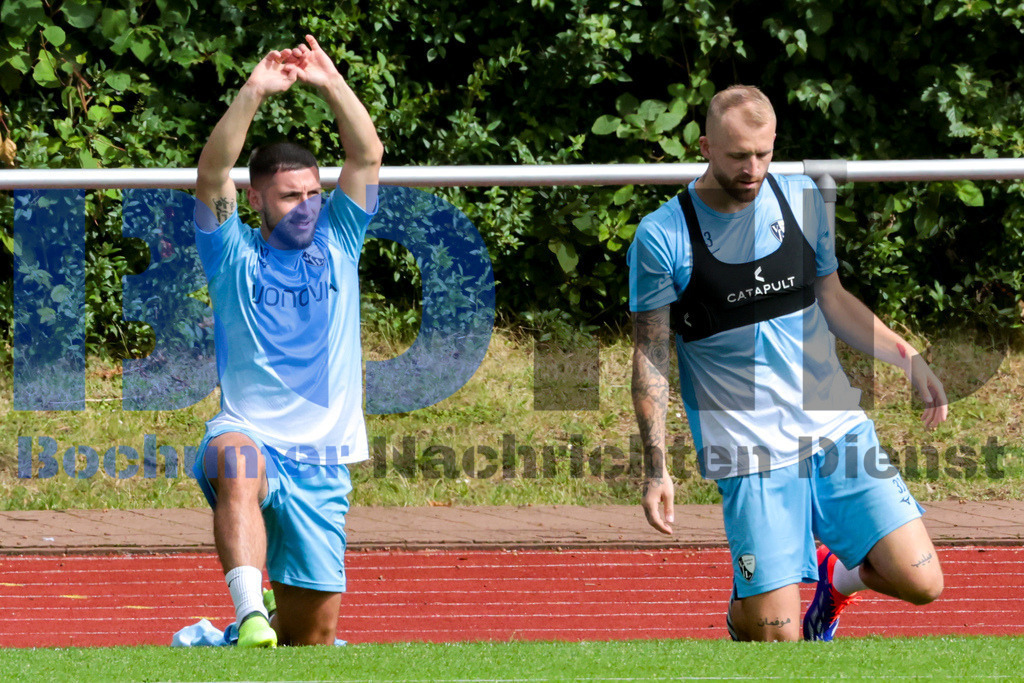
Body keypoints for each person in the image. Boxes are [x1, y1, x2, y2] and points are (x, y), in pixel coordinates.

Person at [628, 85, 948, 642]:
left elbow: (834, 298)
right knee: (777, 642)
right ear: (705, 146)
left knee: (924, 582)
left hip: (834, 425)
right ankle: (745, 608)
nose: (752, 168)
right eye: (736, 156)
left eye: (763, 153)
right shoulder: (663, 235)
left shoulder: (802, 198)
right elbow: (651, 357)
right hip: (749, 448)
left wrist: (908, 356)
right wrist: (657, 466)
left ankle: (834, 578)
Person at [191, 35, 383, 647]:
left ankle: (221, 635)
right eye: (289, 196)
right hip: (250, 433)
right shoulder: (232, 254)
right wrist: (252, 92)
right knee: (237, 458)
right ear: (256, 200)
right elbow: (212, 172)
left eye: (311, 194)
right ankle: (249, 614)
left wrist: (331, 84)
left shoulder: (340, 240)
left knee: (313, 637)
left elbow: (367, 154)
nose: (304, 207)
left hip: (324, 460)